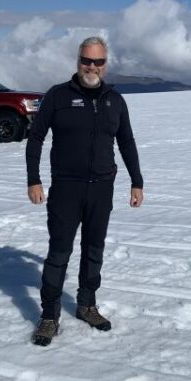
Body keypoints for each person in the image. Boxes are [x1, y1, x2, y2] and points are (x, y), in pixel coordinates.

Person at [26, 36, 144, 346]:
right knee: (59, 252)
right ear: (78, 61)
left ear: (106, 65)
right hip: (66, 188)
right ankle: (49, 316)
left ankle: (87, 305)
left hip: (101, 189)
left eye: (98, 61)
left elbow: (126, 142)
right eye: (86, 60)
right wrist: (33, 180)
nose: (92, 67)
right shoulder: (58, 96)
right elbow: (36, 137)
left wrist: (137, 181)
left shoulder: (115, 101)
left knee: (94, 249)